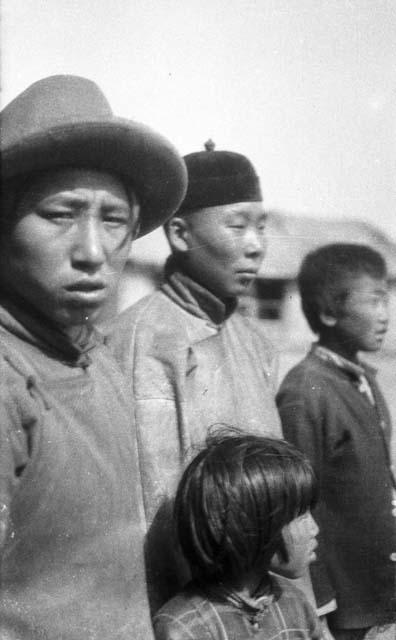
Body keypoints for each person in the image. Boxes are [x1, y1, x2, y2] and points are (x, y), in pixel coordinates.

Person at [0, 74, 187, 639]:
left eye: (113, 220)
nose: (92, 252)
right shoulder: (10, 382)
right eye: (60, 214)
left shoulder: (95, 356)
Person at [109, 143, 283, 611]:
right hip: (199, 604)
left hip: (262, 591)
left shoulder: (254, 341)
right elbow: (156, 512)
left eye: (261, 226)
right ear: (180, 234)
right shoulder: (147, 343)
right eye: (237, 225)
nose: (256, 244)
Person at [276, 244, 396, 639]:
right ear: (329, 312)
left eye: (388, 299)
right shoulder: (306, 392)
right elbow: (298, 507)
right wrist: (320, 604)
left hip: (376, 589)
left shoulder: (364, 379)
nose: (386, 315)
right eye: (375, 301)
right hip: (342, 607)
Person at [153, 432, 323, 640]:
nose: (315, 529)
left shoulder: (294, 602)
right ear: (254, 526)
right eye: (301, 516)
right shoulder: (186, 627)